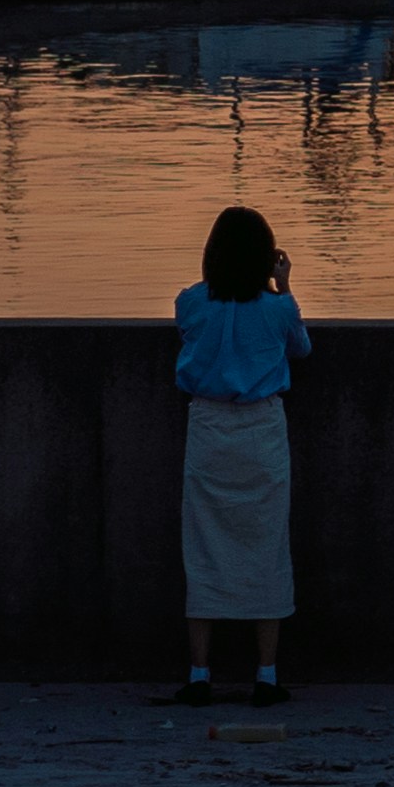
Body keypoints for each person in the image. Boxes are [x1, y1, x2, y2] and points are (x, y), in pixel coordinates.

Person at [163, 205, 313, 706]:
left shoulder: (190, 303)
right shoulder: (276, 309)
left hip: (207, 427)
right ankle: (266, 676)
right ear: (266, 258)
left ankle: (199, 672)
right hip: (261, 430)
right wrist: (283, 286)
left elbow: (191, 335)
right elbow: (301, 349)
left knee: (202, 544)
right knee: (266, 546)